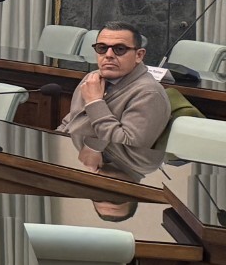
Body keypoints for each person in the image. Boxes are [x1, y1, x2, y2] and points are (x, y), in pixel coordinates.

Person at [57, 24, 171, 180]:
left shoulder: (149, 93)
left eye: (119, 49)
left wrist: (94, 102)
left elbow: (124, 143)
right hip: (77, 161)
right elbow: (70, 123)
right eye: (102, 48)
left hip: (120, 173)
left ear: (139, 55)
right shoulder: (93, 78)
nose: (108, 55)